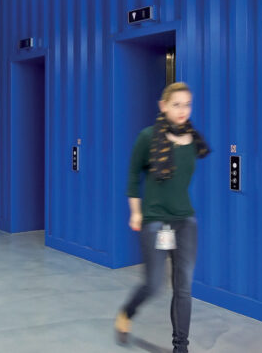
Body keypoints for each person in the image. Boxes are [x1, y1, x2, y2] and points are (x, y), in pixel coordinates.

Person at [115, 82, 211, 353]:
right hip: (155, 220)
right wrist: (136, 211)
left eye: (187, 105)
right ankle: (126, 313)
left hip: (185, 220)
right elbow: (134, 175)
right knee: (154, 283)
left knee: (183, 288)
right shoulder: (148, 137)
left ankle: (181, 347)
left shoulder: (194, 140)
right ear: (163, 106)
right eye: (176, 104)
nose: (183, 110)